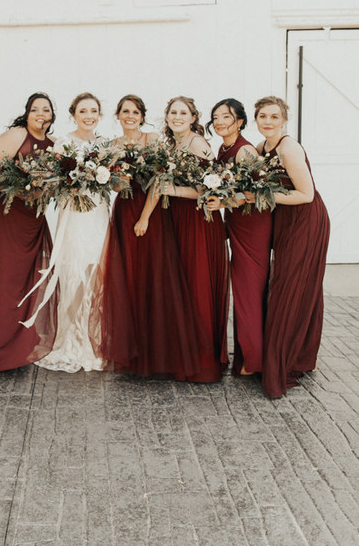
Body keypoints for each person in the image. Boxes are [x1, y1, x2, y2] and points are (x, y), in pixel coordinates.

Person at [96, 95, 205, 378]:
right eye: (125, 111)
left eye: (135, 112)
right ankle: (133, 349)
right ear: (117, 115)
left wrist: (145, 217)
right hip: (124, 211)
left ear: (142, 116)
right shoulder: (111, 147)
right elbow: (116, 187)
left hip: (152, 213)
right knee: (129, 277)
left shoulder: (154, 139)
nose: (130, 116)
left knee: (155, 277)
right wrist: (117, 176)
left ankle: (159, 350)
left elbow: (160, 180)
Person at [136, 96, 229, 382]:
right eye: (172, 112)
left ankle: (200, 360)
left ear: (193, 118)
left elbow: (211, 189)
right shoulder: (170, 145)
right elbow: (158, 183)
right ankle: (181, 352)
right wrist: (145, 217)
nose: (177, 117)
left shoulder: (199, 144)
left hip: (198, 222)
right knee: (179, 286)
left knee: (195, 283)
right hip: (174, 220)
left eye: (183, 113)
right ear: (167, 117)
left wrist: (174, 191)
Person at [252, 96, 330, 398]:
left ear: (284, 119)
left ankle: (282, 361)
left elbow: (306, 194)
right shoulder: (261, 149)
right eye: (262, 116)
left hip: (306, 221)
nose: (268, 121)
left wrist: (260, 198)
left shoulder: (288, 147)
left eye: (274, 116)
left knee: (290, 286)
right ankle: (302, 354)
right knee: (293, 284)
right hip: (284, 222)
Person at [0, 93, 57, 371]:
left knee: (29, 282)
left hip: (34, 221)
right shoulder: (16, 135)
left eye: (45, 109)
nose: (40, 113)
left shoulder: (55, 145)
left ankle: (22, 343)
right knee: (5, 282)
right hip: (9, 218)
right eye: (34, 109)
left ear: (51, 115)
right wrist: (19, 191)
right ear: (27, 113)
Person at [33, 92, 109, 373]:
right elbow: (54, 184)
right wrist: (72, 185)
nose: (89, 115)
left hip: (98, 213)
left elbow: (111, 183)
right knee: (75, 272)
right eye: (83, 111)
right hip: (75, 214)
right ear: (73, 114)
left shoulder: (104, 144)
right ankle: (73, 339)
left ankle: (96, 338)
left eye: (94, 110)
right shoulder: (63, 143)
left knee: (97, 271)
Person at [206, 99, 272, 377]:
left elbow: (260, 192)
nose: (220, 122)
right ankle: (248, 354)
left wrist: (223, 202)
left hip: (252, 225)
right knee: (242, 290)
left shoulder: (244, 150)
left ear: (241, 121)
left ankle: (255, 361)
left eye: (227, 117)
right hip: (236, 223)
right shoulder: (222, 148)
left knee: (248, 292)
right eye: (216, 117)